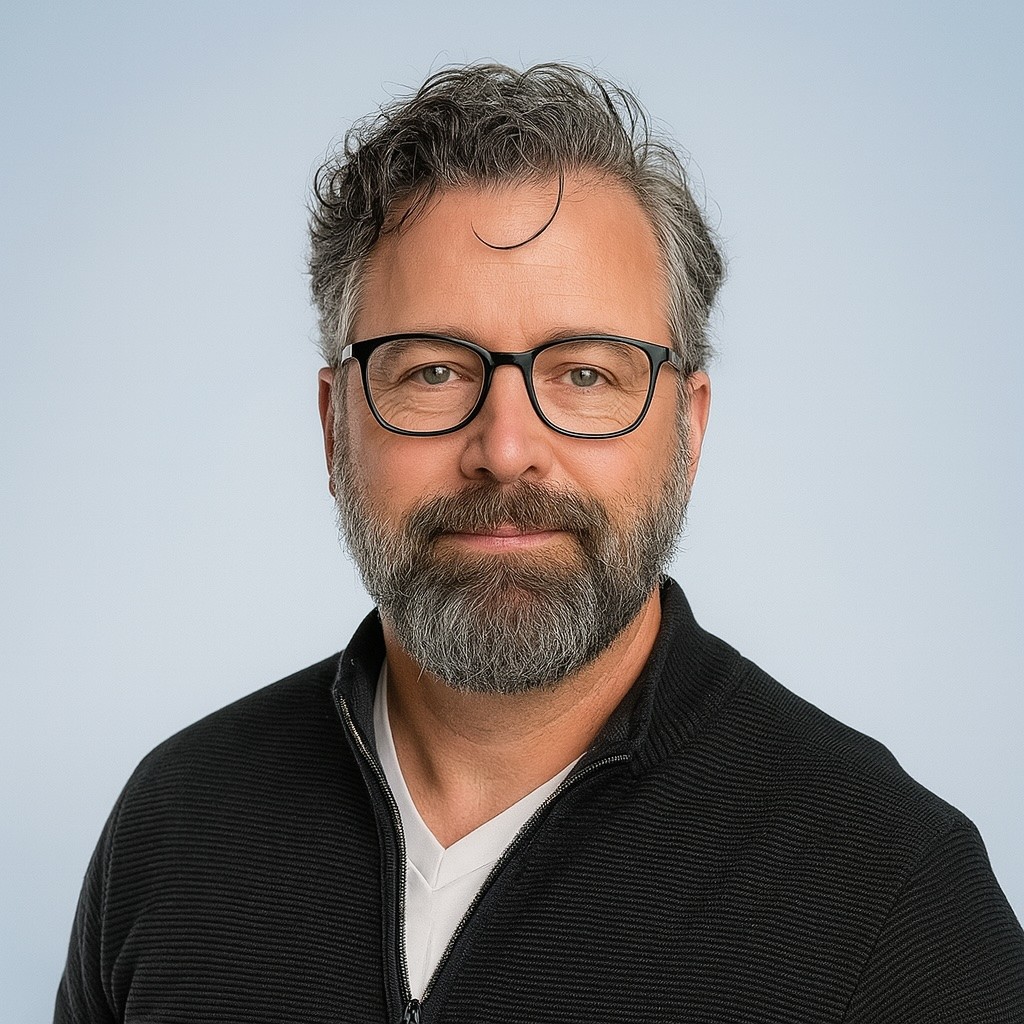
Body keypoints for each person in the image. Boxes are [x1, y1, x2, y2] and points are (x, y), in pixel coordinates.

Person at [56, 62, 1023, 1024]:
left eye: (587, 375)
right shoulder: (174, 822)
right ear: (334, 429)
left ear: (688, 434)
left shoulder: (896, 899)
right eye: (432, 371)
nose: (507, 449)